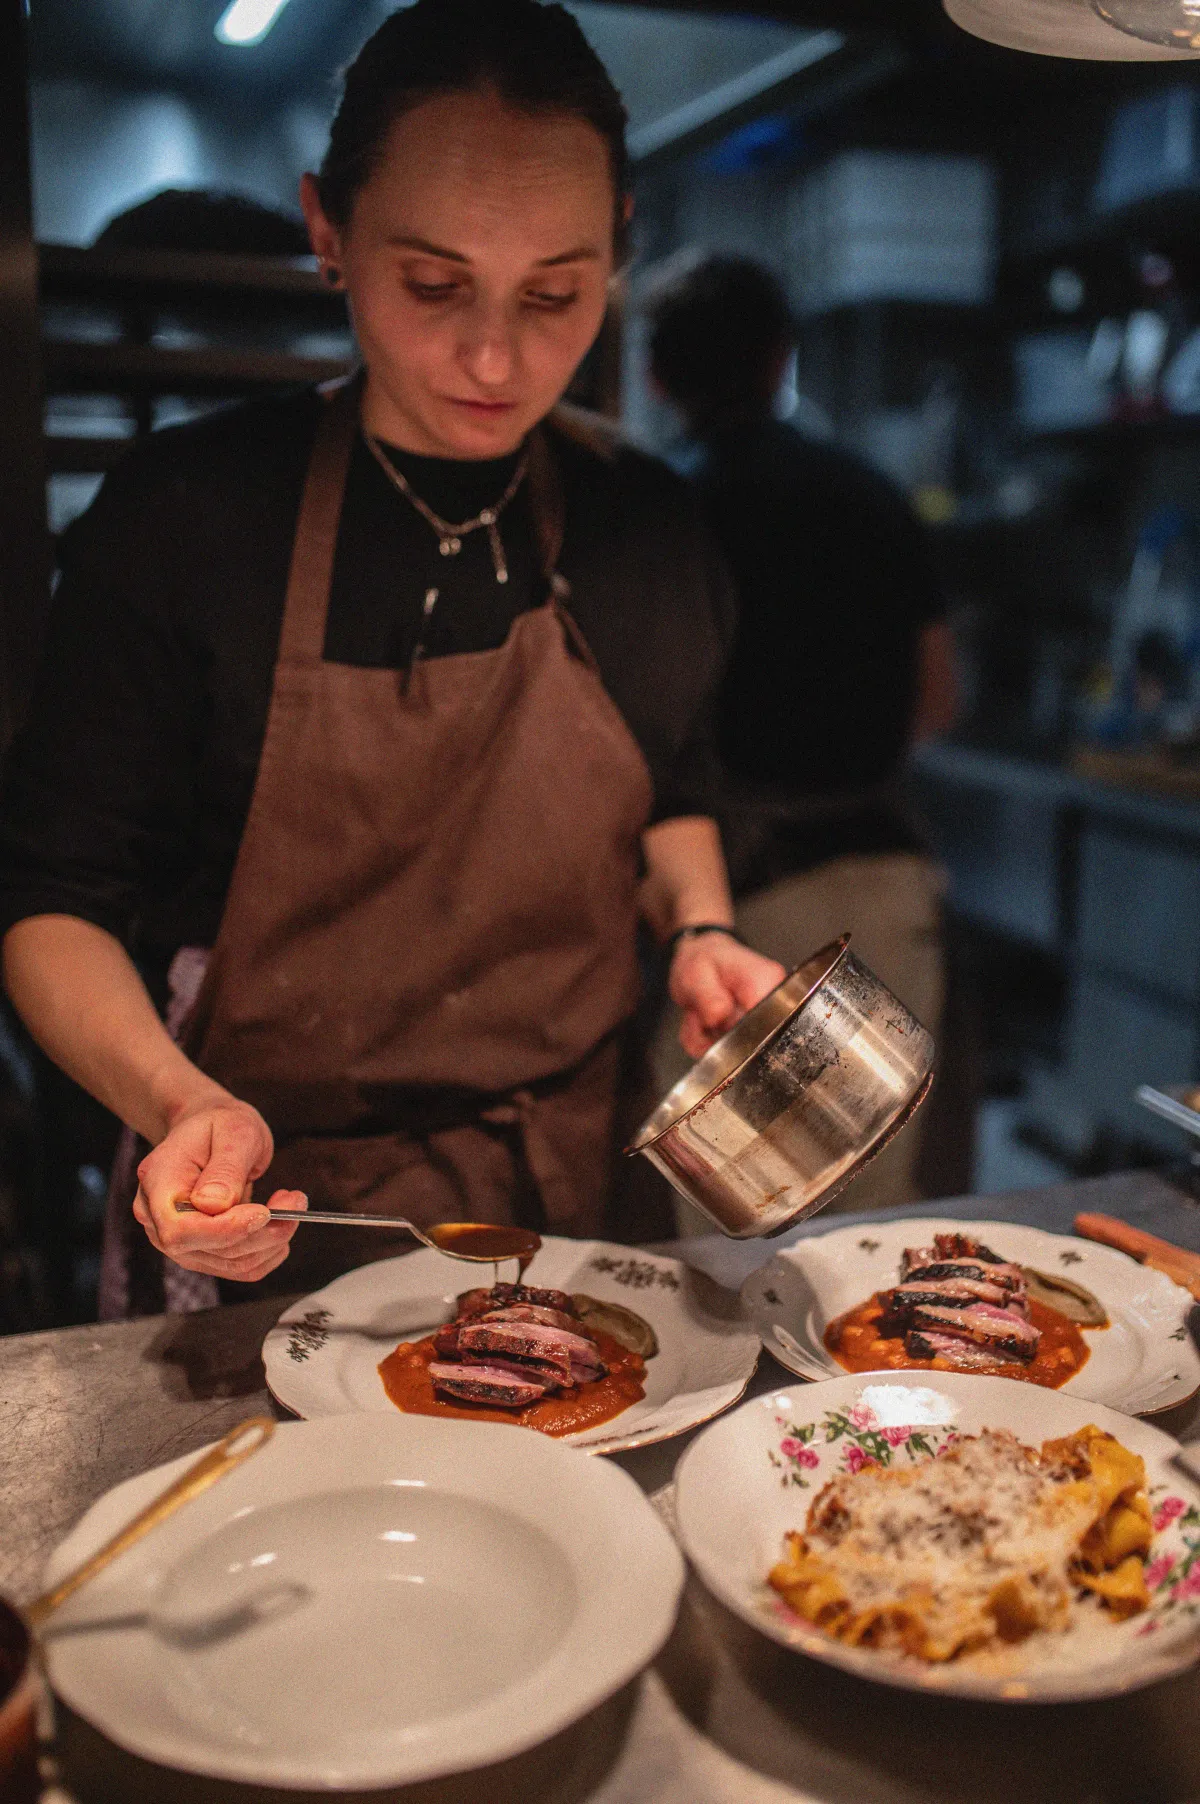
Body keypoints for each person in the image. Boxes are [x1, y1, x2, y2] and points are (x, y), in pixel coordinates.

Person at [0, 2, 783, 1316]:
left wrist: (700, 928)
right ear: (326, 229)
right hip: (265, 1218)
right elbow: (50, 903)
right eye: (433, 284)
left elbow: (676, 783)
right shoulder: (186, 517)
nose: (494, 355)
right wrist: (177, 1101)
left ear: (619, 252)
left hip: (574, 1219)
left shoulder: (645, 520)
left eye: (556, 293)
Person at [646, 255, 957, 1212]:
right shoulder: (868, 492)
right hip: (877, 880)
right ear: (783, 355)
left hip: (722, 903)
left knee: (721, 1223)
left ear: (656, 377)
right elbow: (938, 697)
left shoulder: (656, 507)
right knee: (865, 1212)